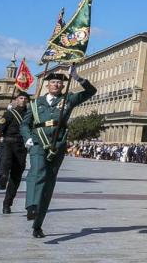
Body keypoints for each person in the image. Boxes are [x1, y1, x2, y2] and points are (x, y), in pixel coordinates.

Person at [20, 69, 97, 238]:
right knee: (37, 172)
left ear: (63, 85)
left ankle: (37, 224)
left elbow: (91, 92)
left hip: (58, 144)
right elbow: (25, 124)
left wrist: (77, 77)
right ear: (47, 85)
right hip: (38, 142)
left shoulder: (68, 99)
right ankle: (31, 206)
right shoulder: (35, 103)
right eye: (53, 82)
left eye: (60, 82)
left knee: (48, 185)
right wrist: (27, 138)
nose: (56, 84)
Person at [0, 91, 30, 214]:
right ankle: (2, 178)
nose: (23, 100)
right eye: (21, 98)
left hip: (21, 146)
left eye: (25, 98)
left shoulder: (30, 115)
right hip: (8, 143)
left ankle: (7, 203)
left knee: (16, 176)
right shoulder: (9, 114)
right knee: (5, 164)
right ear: (16, 100)